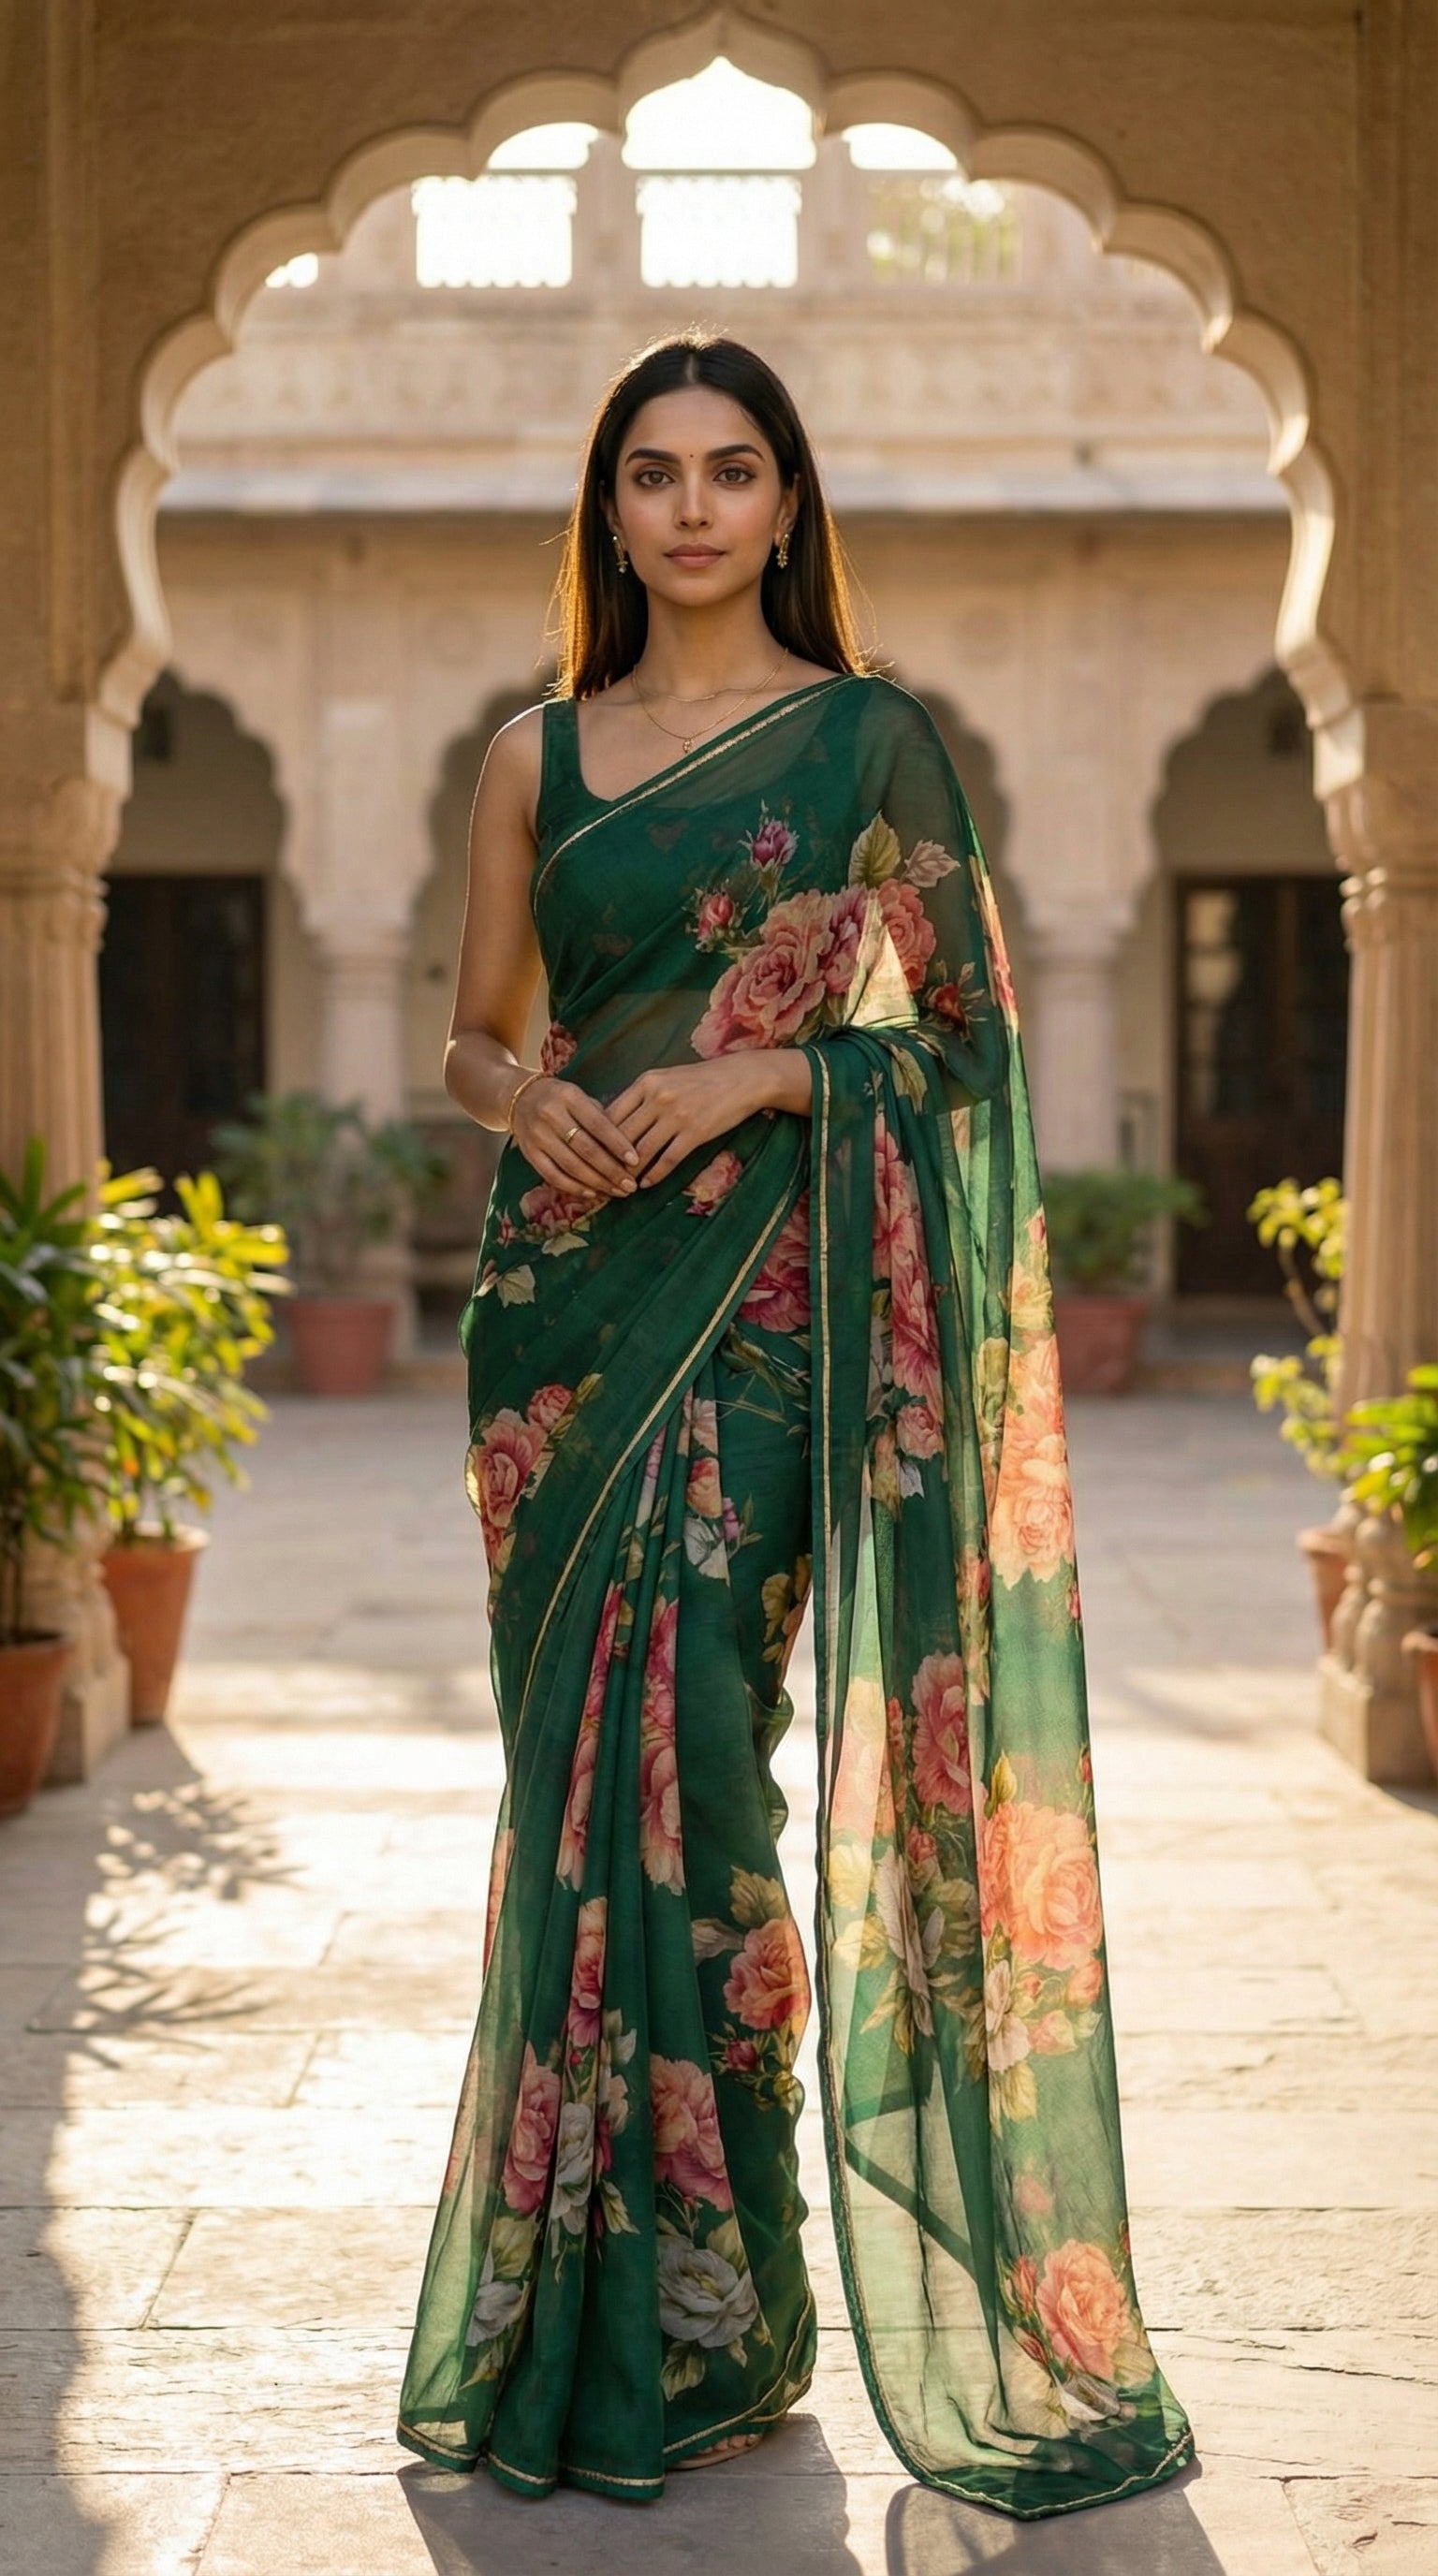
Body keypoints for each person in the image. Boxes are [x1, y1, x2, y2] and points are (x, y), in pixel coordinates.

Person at [396, 328, 1194, 2516]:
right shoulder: (528, 755)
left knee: (704, 1769)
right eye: (651, 472)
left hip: (756, 1314)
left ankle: (715, 2306)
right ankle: (581, 2300)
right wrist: (528, 1095)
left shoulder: (870, 742)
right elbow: (471, 1031)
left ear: (784, 501)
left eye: (730, 470)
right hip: (559, 1320)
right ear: (611, 504)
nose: (689, 508)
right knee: (578, 1786)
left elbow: (956, 1048)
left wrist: (763, 1072)